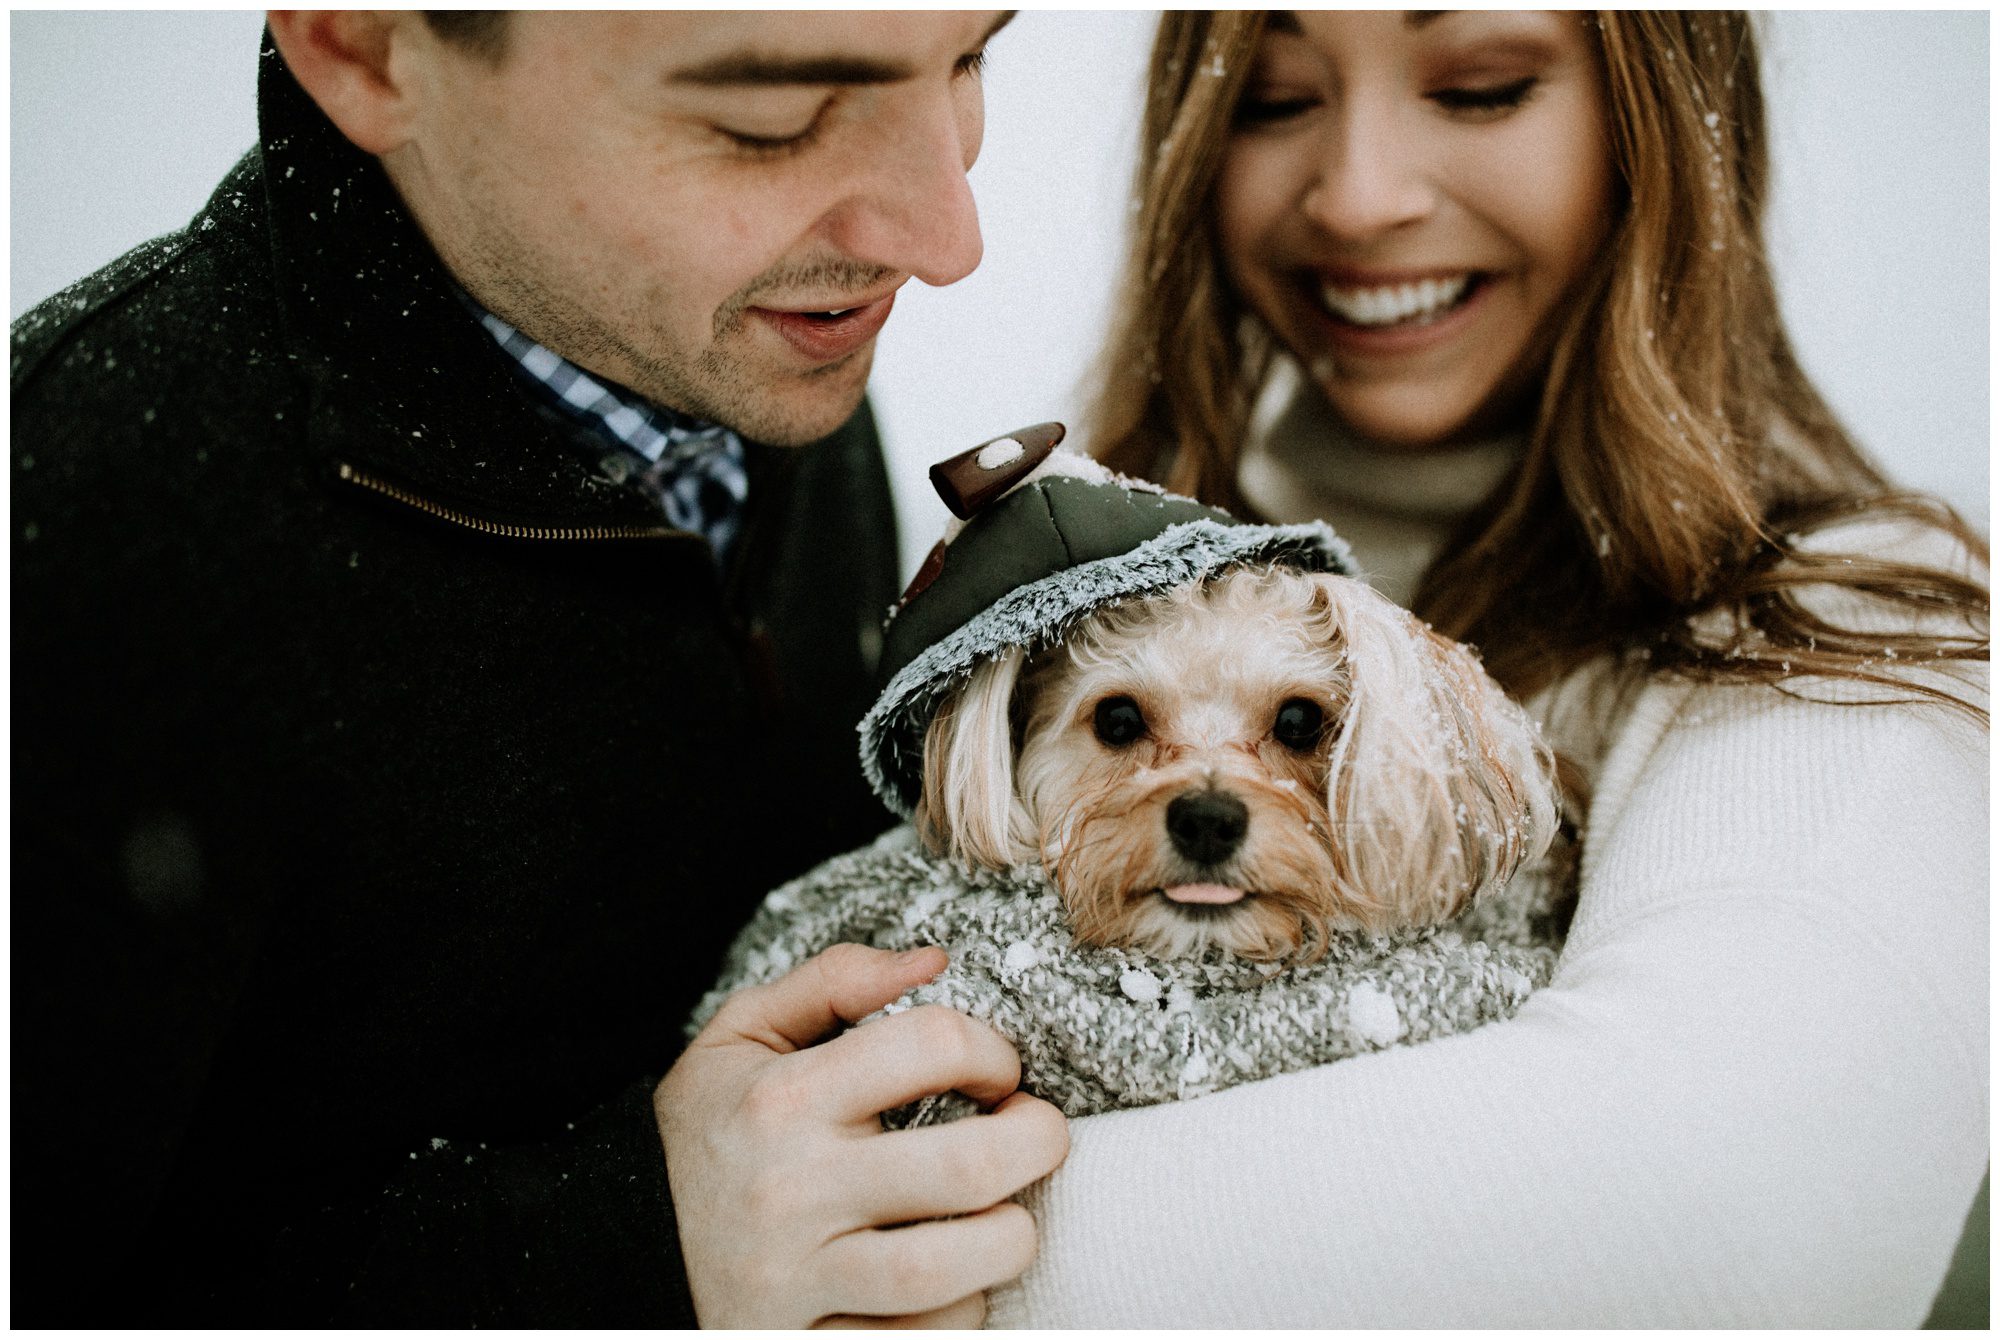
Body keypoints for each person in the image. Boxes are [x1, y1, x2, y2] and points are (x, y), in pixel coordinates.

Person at [12, 11, 1066, 1327]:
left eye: (968, 58)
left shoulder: (743, 346)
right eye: (772, 119)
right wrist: (623, 1250)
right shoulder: (69, 551)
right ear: (369, 47)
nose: (947, 236)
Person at [984, 11, 1986, 1326]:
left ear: (1663, 126)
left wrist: (783, 1258)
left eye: (1480, 87)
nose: (1358, 195)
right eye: (1276, 98)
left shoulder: (1843, 614)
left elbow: (1727, 1218)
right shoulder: (1043, 605)